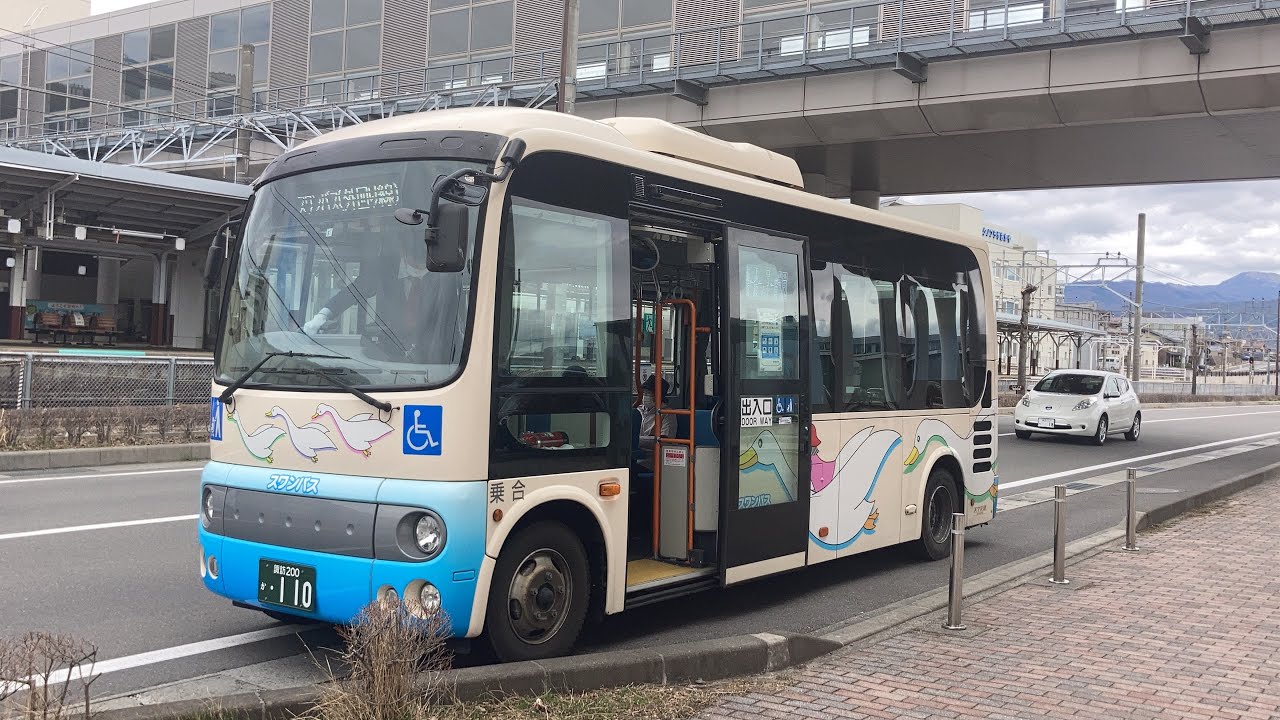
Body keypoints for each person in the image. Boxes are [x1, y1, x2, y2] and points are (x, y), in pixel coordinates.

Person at [302, 233, 464, 364]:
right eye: (415, 262)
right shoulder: (384, 270)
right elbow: (354, 291)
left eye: (424, 263)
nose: (419, 269)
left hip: (434, 359)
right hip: (388, 355)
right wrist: (322, 316)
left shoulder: (445, 274)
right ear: (403, 251)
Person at [637, 375, 676, 454]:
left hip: (653, 456)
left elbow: (665, 440)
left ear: (659, 395)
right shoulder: (638, 410)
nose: (645, 396)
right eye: (644, 393)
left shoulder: (666, 413)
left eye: (649, 393)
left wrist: (639, 441)